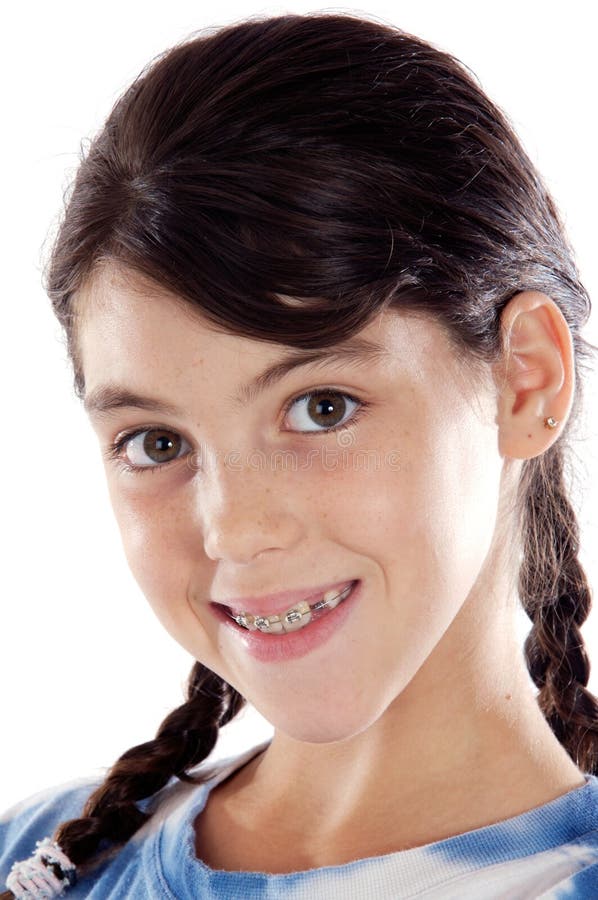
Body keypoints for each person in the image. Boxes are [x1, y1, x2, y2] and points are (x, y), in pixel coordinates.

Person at [1, 10, 597, 898]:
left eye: (322, 409)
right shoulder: (38, 858)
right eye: (156, 442)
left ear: (525, 383)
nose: (234, 530)